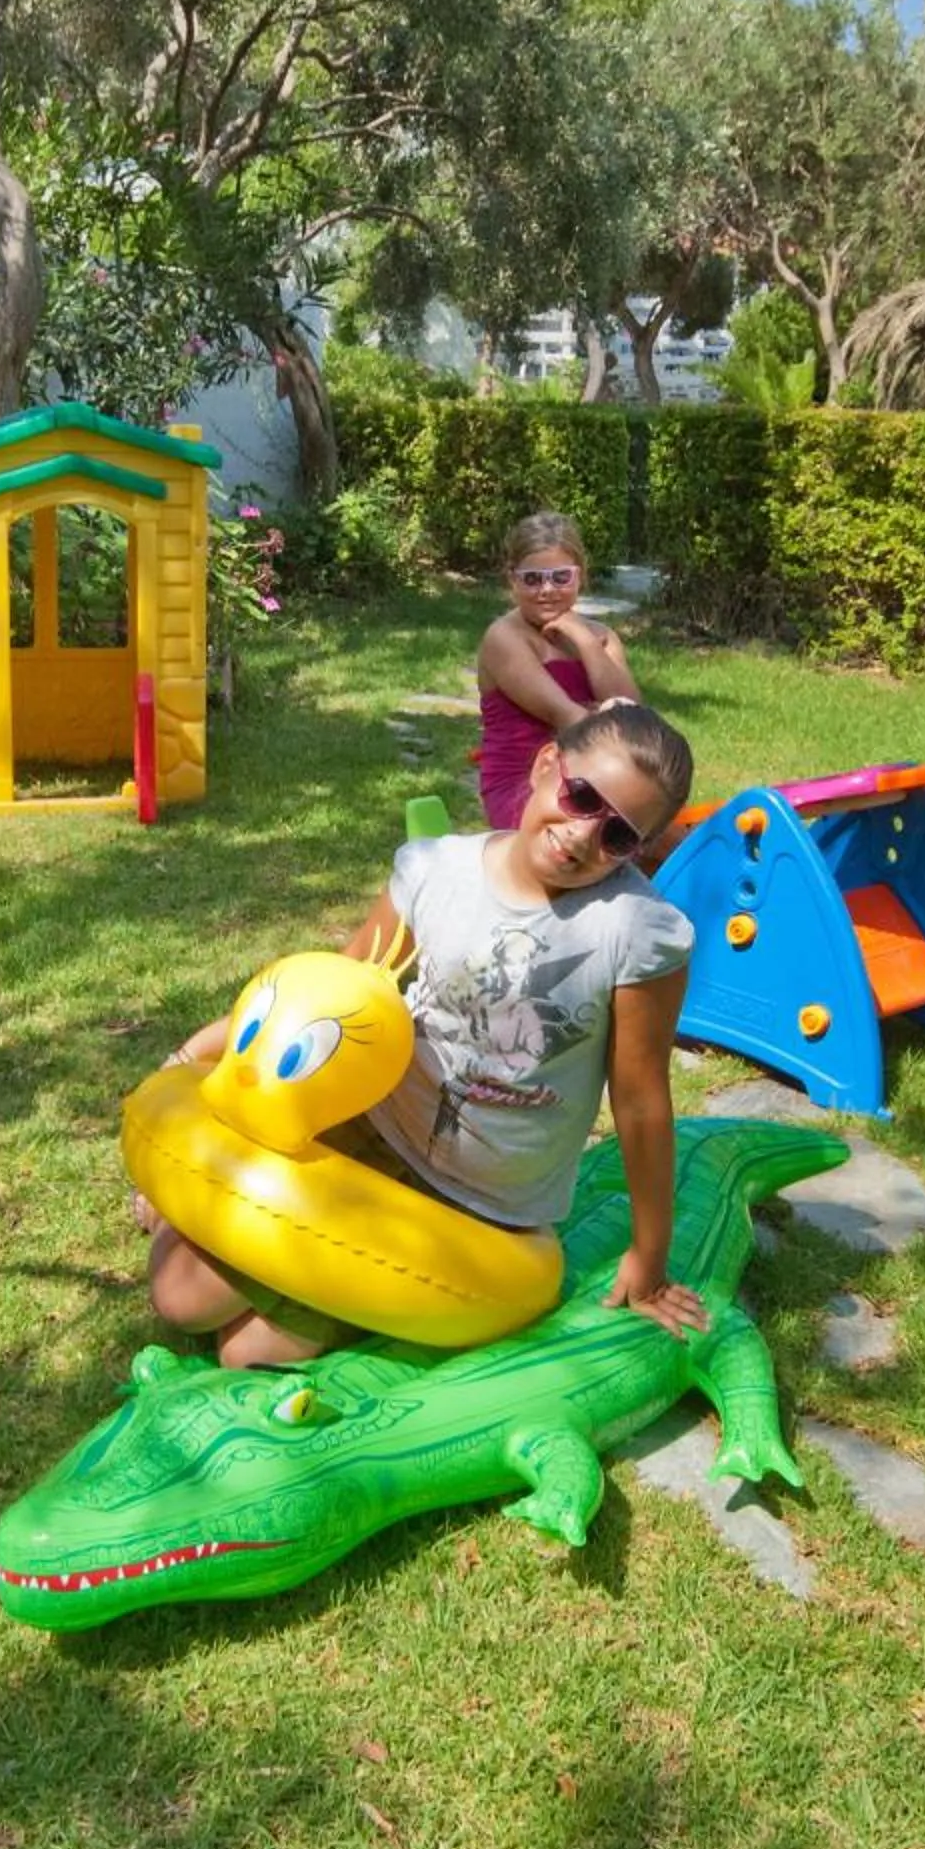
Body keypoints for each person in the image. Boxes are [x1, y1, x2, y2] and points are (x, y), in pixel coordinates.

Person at [146, 702, 701, 1366]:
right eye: (580, 796)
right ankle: (221, 1240)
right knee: (180, 1300)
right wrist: (195, 1057)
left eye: (618, 834)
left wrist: (650, 1254)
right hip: (367, 1134)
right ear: (547, 764)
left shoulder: (637, 932)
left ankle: (298, 1286)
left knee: (247, 1352)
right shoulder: (437, 872)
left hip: (480, 1209)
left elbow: (640, 1099)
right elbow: (337, 989)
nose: (582, 835)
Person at [475, 512, 642, 831]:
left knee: (667, 831)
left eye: (561, 577)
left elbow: (634, 719)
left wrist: (583, 640)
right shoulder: (505, 637)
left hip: (600, 778)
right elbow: (568, 718)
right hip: (525, 785)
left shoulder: (600, 636)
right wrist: (603, 716)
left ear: (580, 576)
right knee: (631, 833)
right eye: (533, 579)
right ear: (513, 579)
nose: (547, 589)